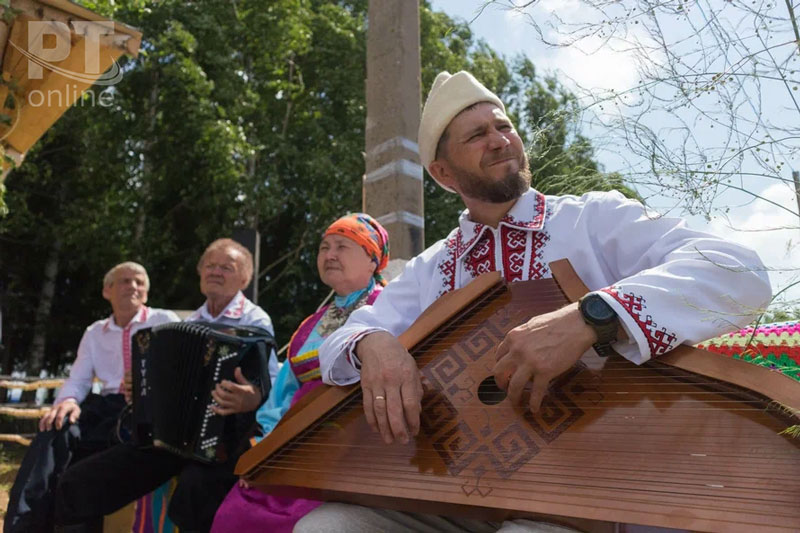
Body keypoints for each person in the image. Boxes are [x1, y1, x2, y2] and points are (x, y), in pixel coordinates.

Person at [294, 71, 773, 532]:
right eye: (477, 134)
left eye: (504, 126)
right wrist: (374, 344)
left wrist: (594, 315)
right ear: (442, 172)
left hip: (589, 488)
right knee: (326, 526)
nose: (500, 139)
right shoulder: (432, 267)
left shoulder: (592, 219)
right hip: (460, 493)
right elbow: (342, 339)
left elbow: (738, 269)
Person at [53, 238, 277, 533]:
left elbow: (271, 380)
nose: (216, 272)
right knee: (80, 482)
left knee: (194, 491)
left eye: (227, 267)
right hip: (173, 439)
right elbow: (165, 386)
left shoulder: (255, 318)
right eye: (210, 265)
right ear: (199, 273)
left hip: (227, 438)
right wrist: (142, 388)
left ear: (245, 278)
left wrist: (253, 397)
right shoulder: (187, 322)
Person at [210, 213, 390, 533]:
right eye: (324, 247)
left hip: (355, 452)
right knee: (235, 513)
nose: (330, 254)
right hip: (294, 450)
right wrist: (265, 453)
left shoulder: (391, 309)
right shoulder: (309, 327)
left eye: (342, 246)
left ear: (373, 259)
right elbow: (282, 398)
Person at [4, 262, 179, 533]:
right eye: (124, 281)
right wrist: (67, 402)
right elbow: (79, 380)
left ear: (145, 294)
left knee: (91, 456)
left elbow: (178, 372)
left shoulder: (164, 321)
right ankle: (21, 525)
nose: (133, 286)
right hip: (105, 404)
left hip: (145, 407)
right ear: (106, 291)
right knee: (54, 430)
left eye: (139, 282)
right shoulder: (94, 331)